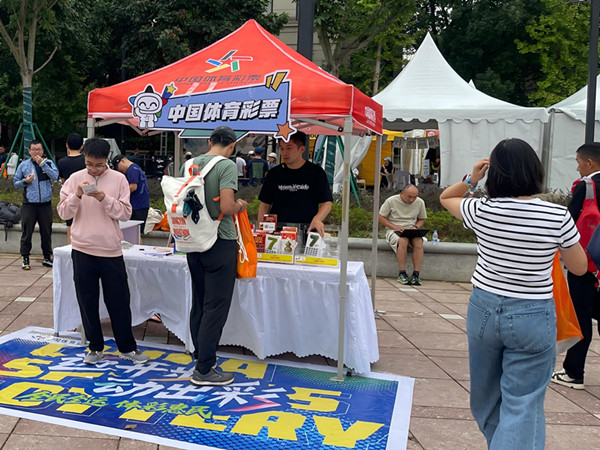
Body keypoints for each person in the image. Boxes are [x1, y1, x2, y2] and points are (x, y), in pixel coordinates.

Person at [439, 138, 587, 449]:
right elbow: (579, 267)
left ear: (495, 173)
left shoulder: (482, 209)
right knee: (523, 401)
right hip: (533, 313)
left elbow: (446, 198)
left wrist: (472, 179)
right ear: (535, 170)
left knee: (486, 397)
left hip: (484, 308)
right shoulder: (556, 215)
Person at [57, 138, 149, 365]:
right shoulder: (75, 179)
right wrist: (77, 195)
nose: (94, 169)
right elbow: (63, 213)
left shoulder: (118, 179)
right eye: (89, 164)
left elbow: (126, 213)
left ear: (107, 159)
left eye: (99, 165)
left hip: (110, 250)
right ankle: (94, 346)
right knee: (87, 300)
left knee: (119, 301)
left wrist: (104, 198)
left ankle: (127, 348)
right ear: (84, 158)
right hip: (82, 248)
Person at [186, 126, 247, 386]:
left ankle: (200, 356)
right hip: (220, 241)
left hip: (193, 241)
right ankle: (204, 369)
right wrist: (240, 205)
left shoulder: (189, 165)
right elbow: (226, 205)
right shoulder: (227, 166)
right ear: (232, 146)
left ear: (210, 141)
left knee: (199, 302)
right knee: (216, 307)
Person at [551, 142, 600, 390]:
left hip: (586, 262)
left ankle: (574, 372)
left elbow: (568, 222)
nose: (578, 168)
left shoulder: (587, 186)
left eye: (579, 162)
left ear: (589, 163)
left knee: (581, 315)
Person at [258, 131, 332, 237]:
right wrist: (261, 230)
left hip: (307, 231)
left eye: (289, 148)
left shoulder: (316, 172)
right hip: (277, 233)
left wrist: (317, 219)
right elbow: (264, 205)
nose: (284, 153)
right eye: (282, 148)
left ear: (302, 149)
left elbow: (326, 203)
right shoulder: (274, 174)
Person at [13, 140, 59, 270]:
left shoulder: (48, 163)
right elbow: (16, 183)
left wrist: (42, 164)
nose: (36, 152)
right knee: (27, 231)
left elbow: (55, 176)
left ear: (43, 150)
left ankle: (47, 257)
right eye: (33, 149)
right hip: (29, 204)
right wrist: (25, 181)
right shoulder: (24, 165)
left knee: (46, 231)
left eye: (38, 149)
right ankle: (25, 258)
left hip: (45, 204)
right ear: (29, 151)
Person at [378, 184, 427, 286]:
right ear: (402, 193)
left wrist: (416, 227)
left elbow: (422, 219)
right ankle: (402, 273)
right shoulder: (391, 201)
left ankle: (416, 274)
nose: (412, 200)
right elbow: (380, 217)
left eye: (415, 197)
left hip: (411, 229)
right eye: (409, 196)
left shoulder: (420, 202)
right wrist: (394, 227)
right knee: (403, 240)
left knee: (418, 242)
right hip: (394, 230)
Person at [58, 133, 86, 244]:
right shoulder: (86, 160)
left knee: (70, 226)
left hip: (70, 197)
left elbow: (63, 180)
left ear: (67, 145)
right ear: (82, 146)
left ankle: (70, 249)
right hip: (85, 197)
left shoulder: (61, 162)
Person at [112, 154, 150, 235]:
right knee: (137, 232)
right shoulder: (136, 167)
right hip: (142, 204)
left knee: (134, 232)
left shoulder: (131, 169)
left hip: (137, 206)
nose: (121, 171)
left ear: (122, 161)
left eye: (118, 168)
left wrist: (120, 194)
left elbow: (133, 187)